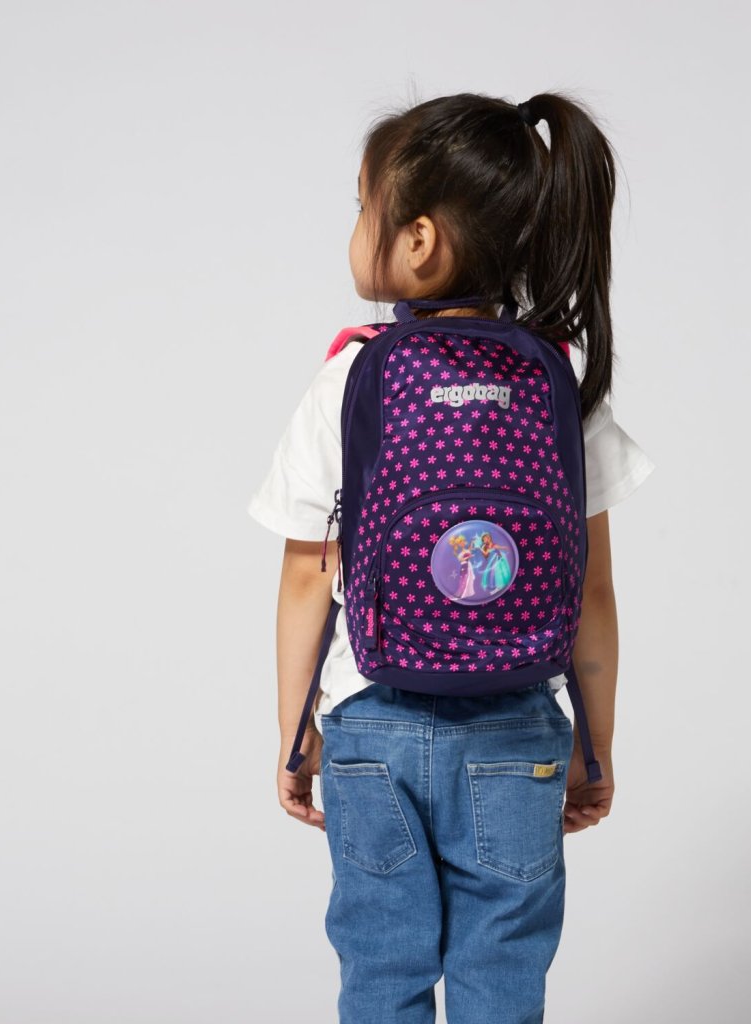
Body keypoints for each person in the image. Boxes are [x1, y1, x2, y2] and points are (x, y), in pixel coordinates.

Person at [247, 90, 656, 1024]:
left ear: (420, 240)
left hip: (370, 730)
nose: (356, 227)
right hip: (516, 733)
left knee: (381, 967)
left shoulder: (350, 376)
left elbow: (308, 574)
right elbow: (592, 589)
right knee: (502, 972)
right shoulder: (561, 380)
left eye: (363, 206)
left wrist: (296, 733)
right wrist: (594, 747)